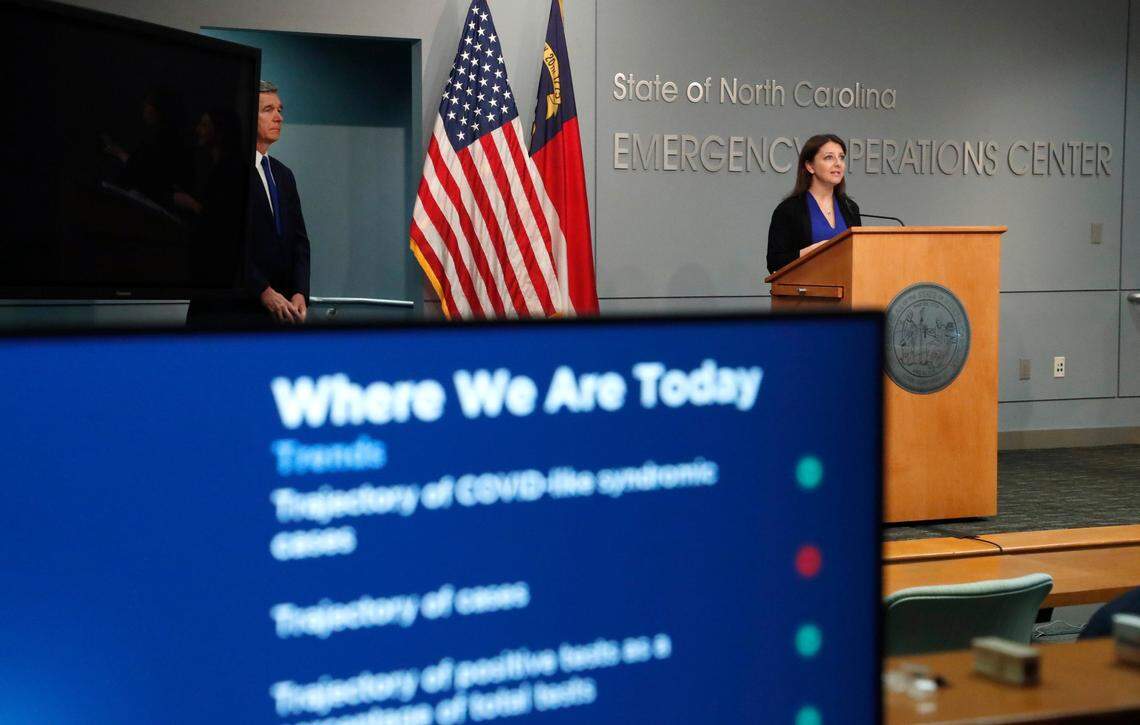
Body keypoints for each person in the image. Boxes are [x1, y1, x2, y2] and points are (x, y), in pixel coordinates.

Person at [249, 80, 310, 323]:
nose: (279, 118)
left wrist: (300, 292)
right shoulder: (226, 169)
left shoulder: (284, 174)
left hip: (282, 315)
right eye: (268, 110)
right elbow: (222, 245)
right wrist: (262, 291)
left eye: (280, 110)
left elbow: (300, 242)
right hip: (236, 313)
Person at [766, 133, 861, 274]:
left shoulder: (850, 207)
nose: (838, 163)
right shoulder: (789, 210)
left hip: (847, 291)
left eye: (841, 157)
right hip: (805, 291)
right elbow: (775, 262)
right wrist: (813, 251)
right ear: (810, 166)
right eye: (829, 157)